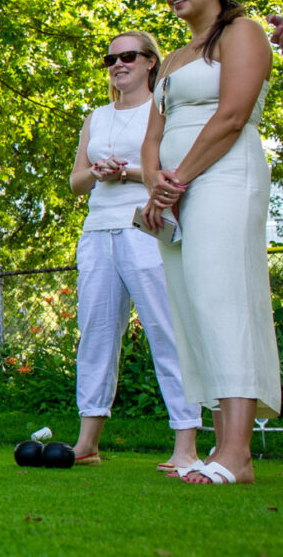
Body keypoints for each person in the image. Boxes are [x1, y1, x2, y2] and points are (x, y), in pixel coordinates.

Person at [140, 0, 280, 485]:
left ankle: (238, 454)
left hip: (224, 176)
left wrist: (177, 181)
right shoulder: (173, 58)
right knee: (193, 308)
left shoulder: (241, 33)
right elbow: (153, 134)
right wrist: (157, 185)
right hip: (174, 195)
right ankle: (219, 446)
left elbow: (232, 114)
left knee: (223, 299)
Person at [67, 32, 201, 472]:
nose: (117, 64)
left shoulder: (161, 109)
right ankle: (87, 444)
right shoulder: (97, 116)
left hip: (145, 227)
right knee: (96, 335)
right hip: (97, 231)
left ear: (149, 63)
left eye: (128, 56)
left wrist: (125, 173)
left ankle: (186, 444)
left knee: (166, 330)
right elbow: (76, 181)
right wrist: (98, 172)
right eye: (111, 58)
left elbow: (172, 171)